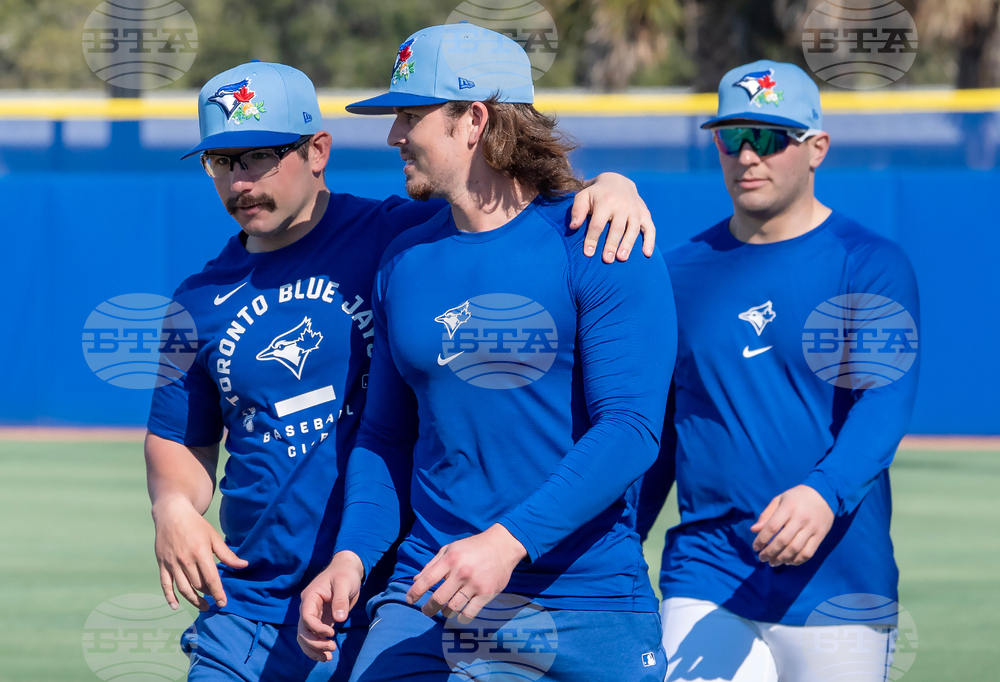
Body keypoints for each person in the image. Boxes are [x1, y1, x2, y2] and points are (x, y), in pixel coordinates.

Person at [145, 59, 661, 681]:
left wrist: (611, 186)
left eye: (259, 158)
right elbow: (180, 437)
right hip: (249, 609)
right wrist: (173, 506)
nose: (240, 181)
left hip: (389, 599)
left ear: (317, 151)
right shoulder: (198, 300)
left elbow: (512, 212)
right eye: (221, 162)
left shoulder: (399, 236)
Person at [296, 25, 676, 681]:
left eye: (410, 116)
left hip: (587, 604)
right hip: (430, 594)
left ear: (474, 120)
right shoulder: (404, 260)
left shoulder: (601, 240)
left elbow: (630, 429)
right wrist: (351, 555)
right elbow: (386, 436)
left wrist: (506, 544)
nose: (394, 136)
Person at [637, 60, 920, 681]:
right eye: (730, 137)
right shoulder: (678, 273)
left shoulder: (868, 263)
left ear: (817, 147)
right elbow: (660, 432)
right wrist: (620, 542)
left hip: (839, 582)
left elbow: (885, 401)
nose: (747, 155)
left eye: (768, 138)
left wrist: (824, 491)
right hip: (708, 572)